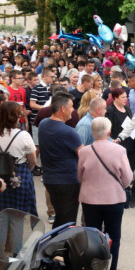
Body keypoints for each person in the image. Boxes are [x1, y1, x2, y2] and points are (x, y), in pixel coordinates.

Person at [78, 117, 132, 270]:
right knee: (113, 238)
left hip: (90, 199)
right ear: (109, 133)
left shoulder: (84, 151)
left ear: (92, 133)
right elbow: (128, 177)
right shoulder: (119, 150)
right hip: (114, 199)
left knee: (92, 238)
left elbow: (80, 175)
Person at [0, 103, 38, 216]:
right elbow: (33, 161)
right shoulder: (23, 135)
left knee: (0, 213)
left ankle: (2, 233)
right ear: (16, 117)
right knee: (18, 215)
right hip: (19, 176)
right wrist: (25, 170)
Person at [38, 92, 83, 228]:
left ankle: (55, 245)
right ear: (63, 108)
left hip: (50, 179)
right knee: (67, 221)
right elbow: (84, 155)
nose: (73, 110)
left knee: (60, 217)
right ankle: (60, 247)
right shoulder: (68, 132)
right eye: (71, 106)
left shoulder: (43, 124)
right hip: (67, 181)